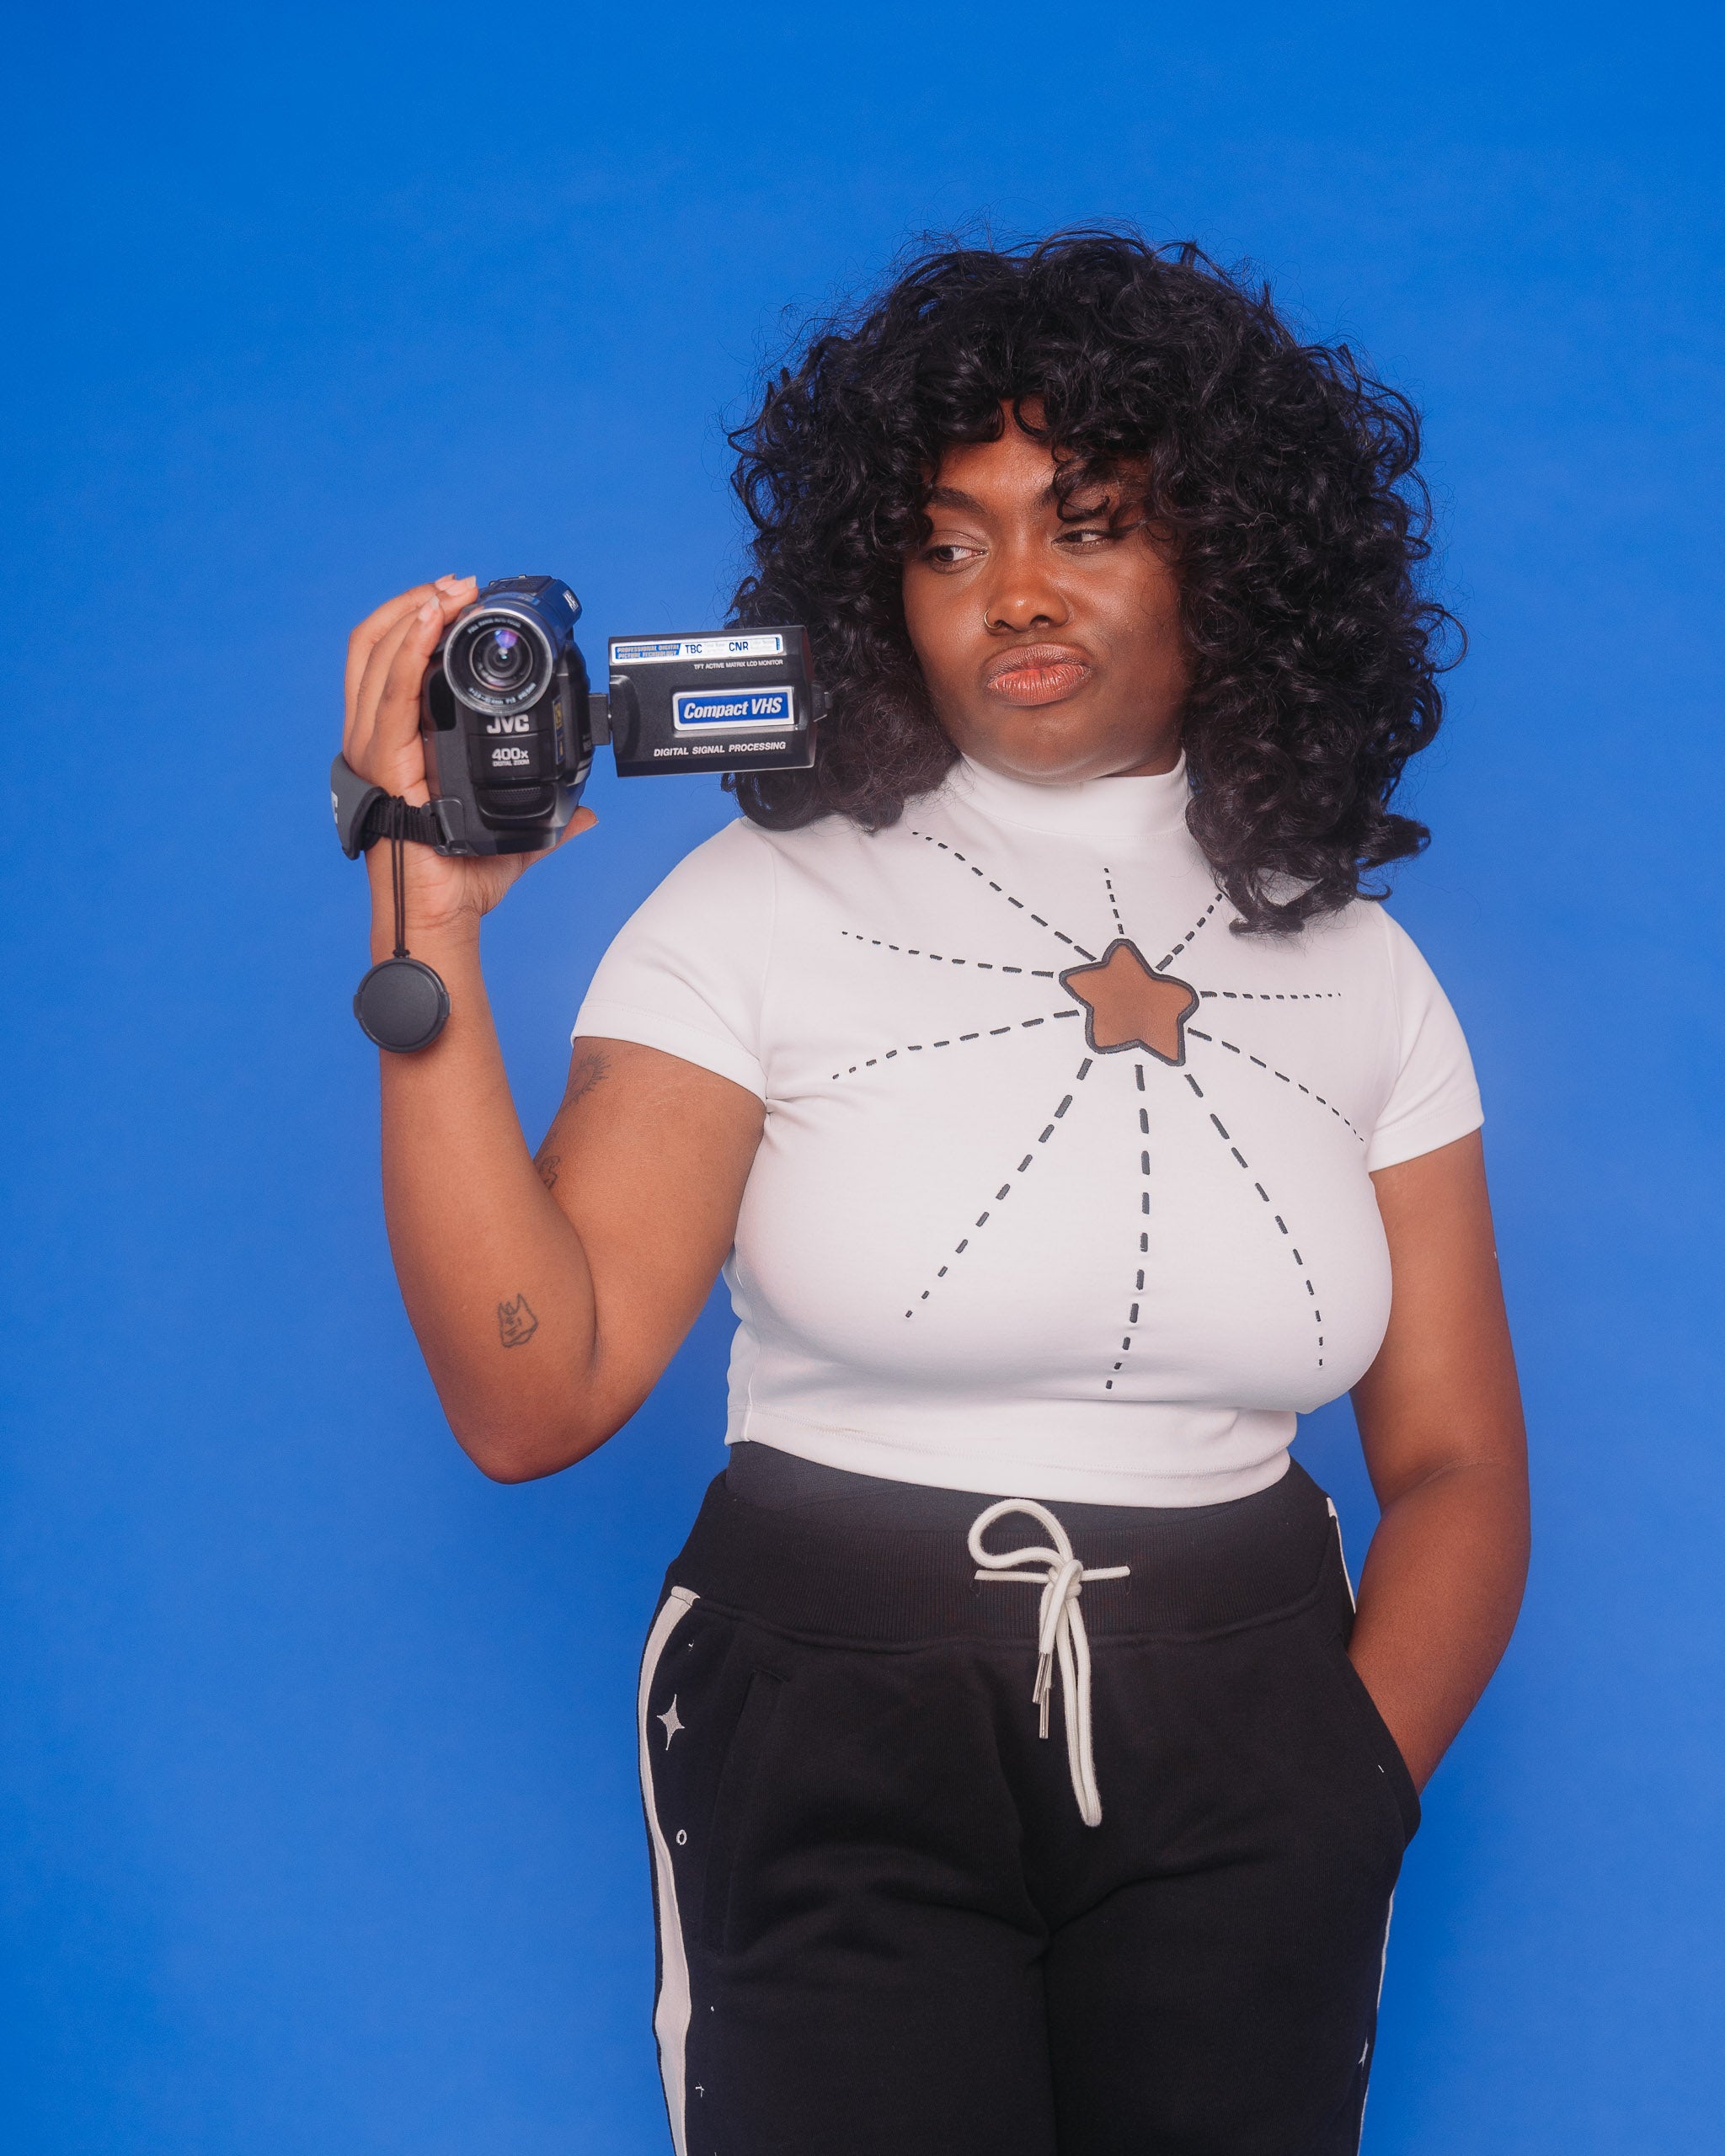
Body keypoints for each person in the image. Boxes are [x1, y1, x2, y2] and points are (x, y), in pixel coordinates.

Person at [339, 233, 1529, 2156]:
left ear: (1230, 554)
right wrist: (433, 936)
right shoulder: (754, 901)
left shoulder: (1362, 967)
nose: (1017, 593)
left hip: (1256, 1726)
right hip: (831, 1713)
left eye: (1090, 522)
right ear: (874, 582)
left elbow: (1462, 1460)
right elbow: (528, 1392)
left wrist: (1347, 1774)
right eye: (949, 540)